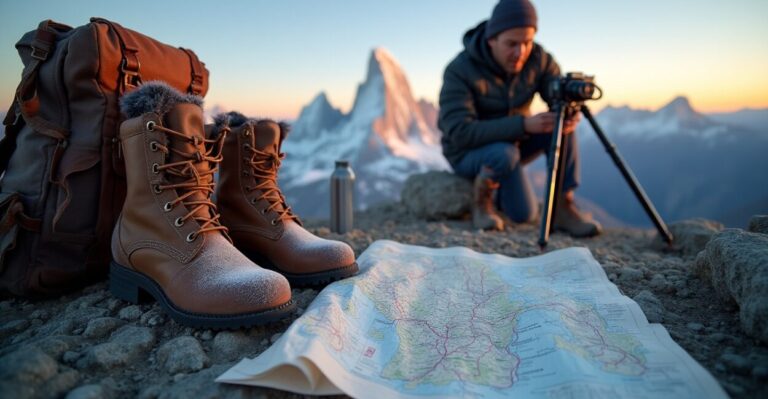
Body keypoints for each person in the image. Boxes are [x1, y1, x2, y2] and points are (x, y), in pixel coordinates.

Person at [438, 0, 601, 237]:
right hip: (468, 152)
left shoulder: (539, 59)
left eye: (527, 42)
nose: (520, 52)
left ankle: (562, 207)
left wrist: (568, 111)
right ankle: (482, 202)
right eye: (511, 44)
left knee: (560, 131)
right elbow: (460, 132)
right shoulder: (459, 70)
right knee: (503, 154)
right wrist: (523, 124)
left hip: (514, 144)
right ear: (491, 39)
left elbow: (554, 93)